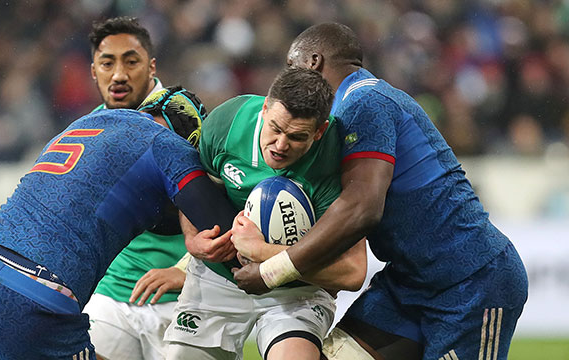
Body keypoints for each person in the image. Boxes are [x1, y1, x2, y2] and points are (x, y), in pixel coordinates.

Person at [231, 23, 529, 360]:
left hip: (470, 281)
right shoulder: (345, 111)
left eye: (290, 65)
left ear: (313, 62)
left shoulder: (364, 100)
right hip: (408, 283)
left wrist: (272, 268)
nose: (287, 79)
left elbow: (362, 208)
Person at [0, 87, 239, 360]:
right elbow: (221, 227)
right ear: (192, 137)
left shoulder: (85, 123)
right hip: (35, 291)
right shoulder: (170, 145)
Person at [164, 67, 368, 360]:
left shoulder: (338, 160)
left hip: (297, 289)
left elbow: (352, 271)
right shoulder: (226, 124)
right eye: (275, 128)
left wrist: (261, 252)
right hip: (218, 279)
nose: (281, 145)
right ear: (265, 108)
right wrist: (193, 240)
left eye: (297, 137)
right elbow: (195, 193)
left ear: (320, 131)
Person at [82, 16, 190, 360]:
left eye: (131, 61)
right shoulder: (88, 133)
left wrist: (185, 271)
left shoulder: (187, 123)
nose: (119, 74)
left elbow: (218, 213)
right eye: (107, 62)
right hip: (111, 297)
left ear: (151, 66)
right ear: (93, 71)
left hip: (184, 298)